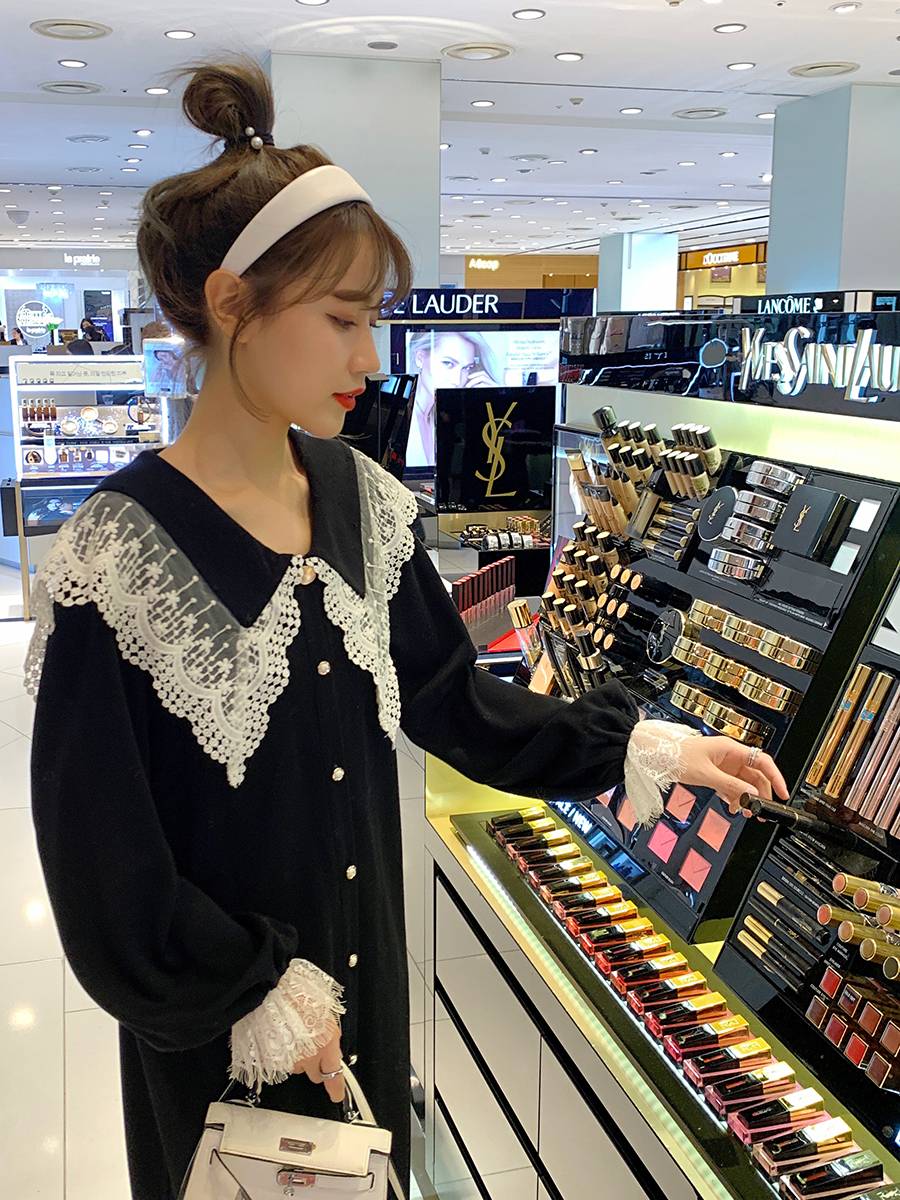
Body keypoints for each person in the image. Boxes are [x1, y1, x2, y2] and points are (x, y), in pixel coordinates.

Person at [26, 60, 786, 1200]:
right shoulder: (118, 556)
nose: (370, 359)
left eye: (372, 317)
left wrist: (642, 745)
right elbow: (104, 872)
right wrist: (249, 991)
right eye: (342, 318)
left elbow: (450, 700)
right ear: (231, 305)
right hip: (227, 1062)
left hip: (368, 1006)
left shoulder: (362, 503)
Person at [406, 328, 501, 469]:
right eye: (448, 363)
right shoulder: (399, 416)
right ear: (420, 358)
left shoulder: (450, 422)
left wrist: (491, 402)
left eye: (467, 368)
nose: (457, 380)